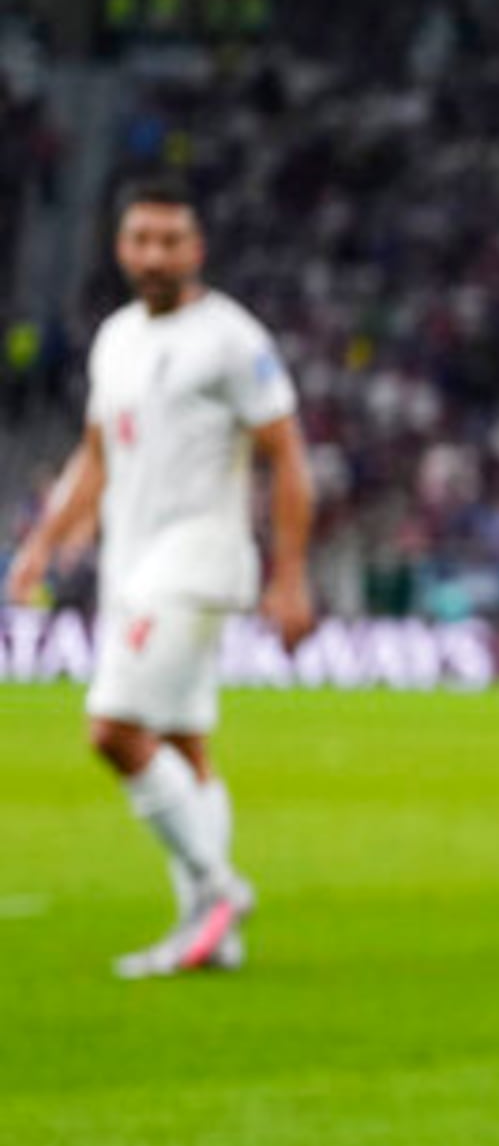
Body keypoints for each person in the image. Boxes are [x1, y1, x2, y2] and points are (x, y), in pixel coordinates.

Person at [3, 182, 318, 980]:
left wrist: (291, 578)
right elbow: (99, 455)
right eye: (140, 239)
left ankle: (219, 889)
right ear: (120, 246)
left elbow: (287, 454)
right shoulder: (115, 339)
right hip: (129, 564)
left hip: (198, 559)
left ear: (196, 248)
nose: (153, 254)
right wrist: (43, 541)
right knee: (183, 744)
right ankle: (210, 937)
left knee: (112, 728)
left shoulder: (231, 339)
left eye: (170, 240)